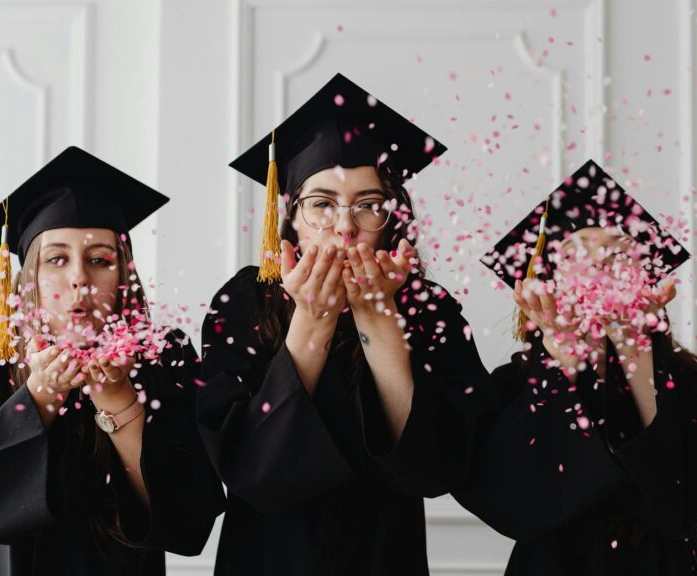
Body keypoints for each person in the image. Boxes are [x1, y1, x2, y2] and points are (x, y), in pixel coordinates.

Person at [197, 73, 493, 575]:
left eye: (368, 204)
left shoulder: (426, 308)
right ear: (289, 216)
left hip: (385, 555)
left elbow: (435, 467)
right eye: (322, 204)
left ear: (392, 217)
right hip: (266, 557)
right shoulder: (244, 301)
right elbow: (249, 469)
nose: (345, 225)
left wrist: (380, 318)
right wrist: (312, 321)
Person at [0, 146, 225, 575]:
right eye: (56, 259)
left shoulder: (164, 353)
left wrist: (120, 403)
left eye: (99, 260)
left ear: (124, 273)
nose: (79, 278)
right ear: (28, 274)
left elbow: (188, 518)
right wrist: (40, 398)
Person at [456, 159, 697, 575]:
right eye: (574, 253)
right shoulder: (512, 385)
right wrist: (565, 359)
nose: (597, 266)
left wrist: (635, 353)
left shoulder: (694, 383)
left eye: (618, 254)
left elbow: (678, 504)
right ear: (549, 277)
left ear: (645, 276)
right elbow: (512, 503)